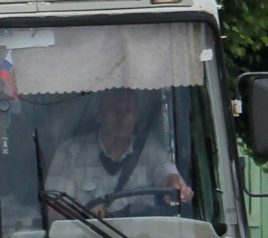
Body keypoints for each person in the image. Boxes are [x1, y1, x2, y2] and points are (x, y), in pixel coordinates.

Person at [46, 89, 193, 217]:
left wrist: (176, 187)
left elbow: (168, 176)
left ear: (136, 117)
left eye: (129, 111)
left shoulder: (149, 149)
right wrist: (81, 213)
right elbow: (52, 211)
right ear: (98, 115)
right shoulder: (70, 153)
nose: (123, 118)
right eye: (115, 110)